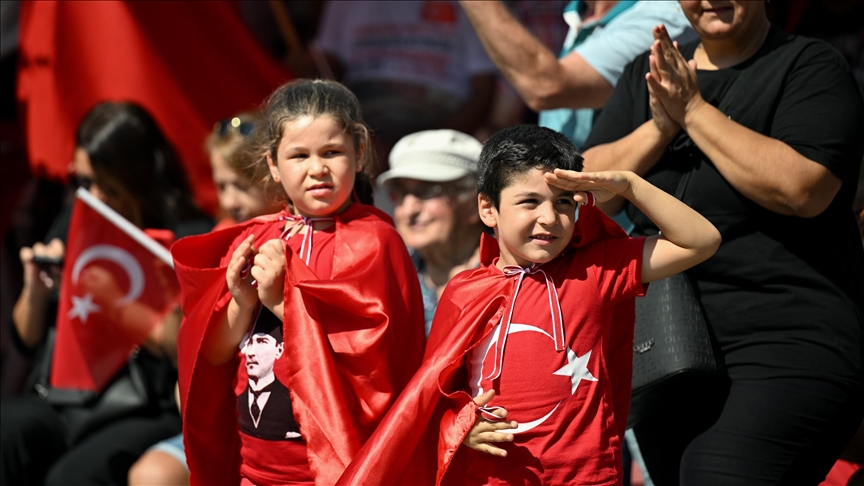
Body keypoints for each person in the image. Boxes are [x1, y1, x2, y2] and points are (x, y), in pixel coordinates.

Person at [336, 124, 721, 485]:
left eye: (564, 202)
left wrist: (630, 185)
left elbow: (700, 241)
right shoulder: (462, 291)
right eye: (529, 201)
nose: (549, 217)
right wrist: (460, 427)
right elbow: (433, 396)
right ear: (488, 209)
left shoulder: (599, 269)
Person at [580, 0, 864, 482]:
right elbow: (586, 193)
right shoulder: (649, 74)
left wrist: (693, 111)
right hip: (670, 352)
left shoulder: (809, 65)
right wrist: (659, 127)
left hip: (788, 341)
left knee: (716, 474)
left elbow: (803, 189)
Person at [170, 79, 426, 485]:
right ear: (273, 164)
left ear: (359, 153)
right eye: (299, 155)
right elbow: (215, 355)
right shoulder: (255, 238)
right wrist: (240, 301)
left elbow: (373, 372)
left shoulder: (375, 242)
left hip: (328, 472)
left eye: (332, 152)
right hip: (252, 469)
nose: (316, 168)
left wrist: (279, 301)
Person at [0, 101, 213, 486]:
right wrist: (35, 289)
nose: (93, 197)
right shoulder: (75, 220)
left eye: (106, 186)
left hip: (144, 404)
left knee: (72, 478)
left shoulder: (188, 235)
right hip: (64, 396)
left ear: (137, 178)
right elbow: (25, 341)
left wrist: (117, 304)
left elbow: (186, 346)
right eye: (82, 182)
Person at [128, 111, 284, 486]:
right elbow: (198, 341)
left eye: (240, 186)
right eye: (221, 185)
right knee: (150, 475)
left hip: (266, 415)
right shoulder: (217, 240)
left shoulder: (291, 241)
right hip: (216, 405)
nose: (229, 199)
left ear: (273, 180)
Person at [460, 0, 694, 149]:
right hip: (576, 216)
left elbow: (546, 88)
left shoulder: (663, 15)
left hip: (626, 225)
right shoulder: (577, 14)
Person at [315, 0, 497, 175]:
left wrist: (422, 147)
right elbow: (325, 66)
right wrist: (351, 136)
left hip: (441, 120)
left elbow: (484, 94)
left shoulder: (471, 5)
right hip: (363, 116)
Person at [377, 129, 485, 334]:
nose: (409, 210)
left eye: (427, 191)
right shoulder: (391, 274)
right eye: (400, 193)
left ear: (474, 202)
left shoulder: (511, 272)